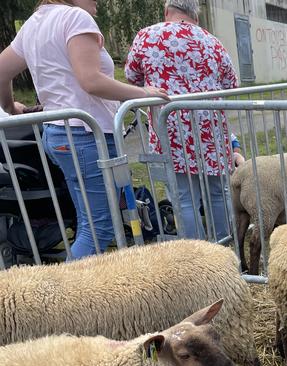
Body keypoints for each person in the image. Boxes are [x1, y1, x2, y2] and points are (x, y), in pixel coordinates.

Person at [0, 0, 168, 260]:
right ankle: (69, 296)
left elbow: (1, 70)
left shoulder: (35, 22)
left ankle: (80, 292)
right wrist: (142, 93)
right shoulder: (75, 18)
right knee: (99, 229)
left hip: (59, 133)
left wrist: (10, 106)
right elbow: (90, 80)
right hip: (86, 135)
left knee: (89, 222)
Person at [126, 0, 239, 241]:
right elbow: (231, 84)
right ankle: (224, 249)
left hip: (172, 131)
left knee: (183, 198)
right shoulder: (212, 41)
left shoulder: (147, 37)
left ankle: (195, 260)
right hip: (211, 132)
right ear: (194, 15)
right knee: (218, 193)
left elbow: (131, 76)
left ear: (167, 12)